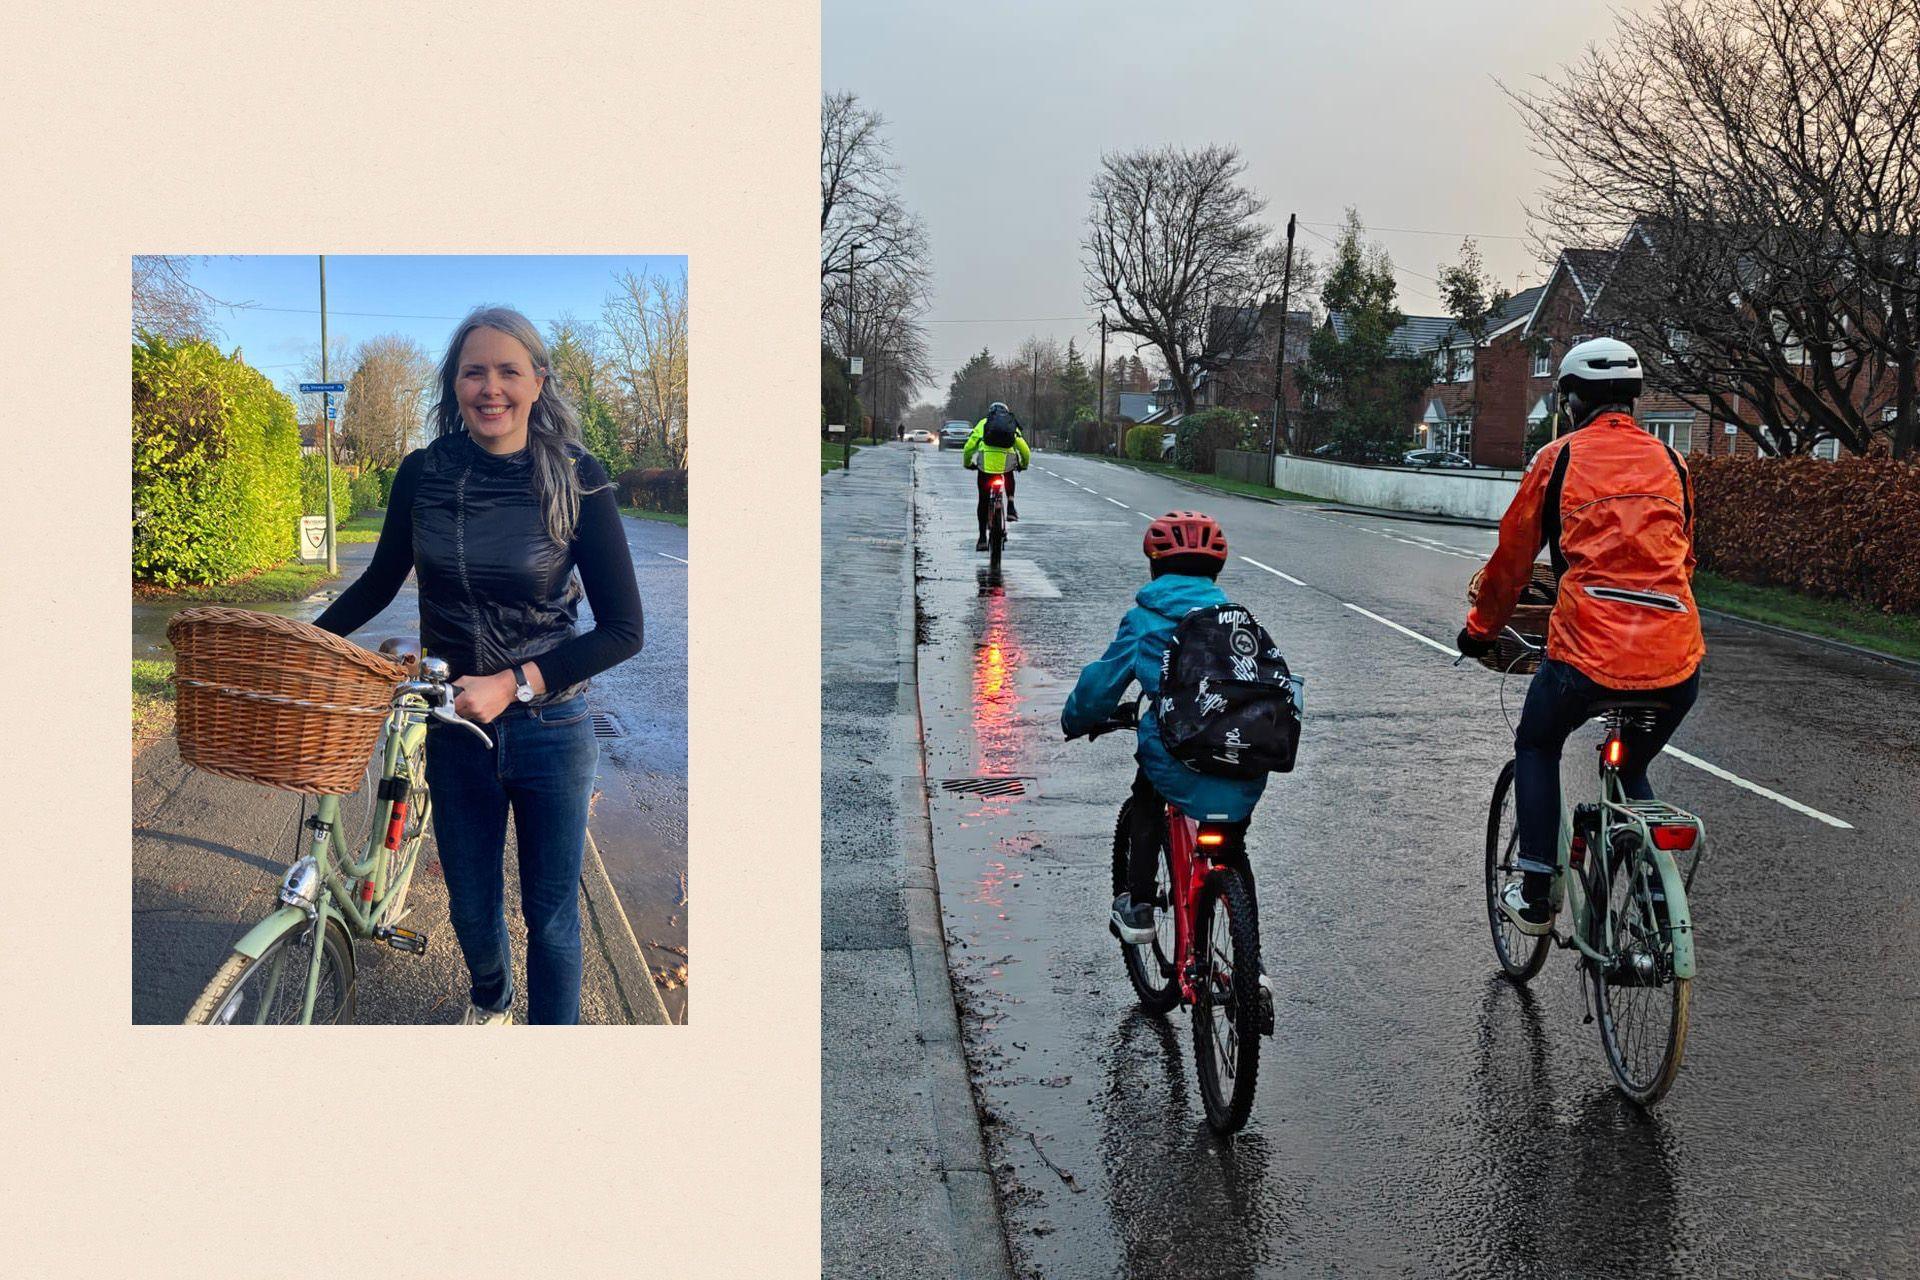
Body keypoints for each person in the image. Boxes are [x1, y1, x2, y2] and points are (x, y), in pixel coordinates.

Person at [314, 306, 644, 1025]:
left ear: (538, 381)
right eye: (474, 372)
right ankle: (491, 997)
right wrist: (310, 643)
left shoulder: (576, 478)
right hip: (454, 723)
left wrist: (516, 682)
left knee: (551, 915)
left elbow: (623, 630)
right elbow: (376, 584)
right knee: (469, 902)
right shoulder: (423, 474)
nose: (490, 387)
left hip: (553, 729)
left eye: (507, 371)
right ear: (454, 384)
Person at [1457, 336, 1704, 936]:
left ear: (1571, 401)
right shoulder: (1674, 464)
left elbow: (1513, 564)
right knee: (1633, 758)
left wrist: (1480, 631)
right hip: (1676, 659)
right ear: (1634, 402)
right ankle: (1649, 894)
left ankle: (1537, 891)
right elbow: (1683, 557)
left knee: (1538, 743)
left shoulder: (1558, 459)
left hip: (1587, 656)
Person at [1061, 511, 1265, 941]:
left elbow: (1102, 685)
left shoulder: (1143, 620)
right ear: (1217, 570)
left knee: (1147, 792)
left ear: (1154, 566)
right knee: (1232, 847)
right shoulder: (1235, 618)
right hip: (1240, 759)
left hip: (1176, 759)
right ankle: (1254, 967)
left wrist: (1077, 719)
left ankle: (1137, 908)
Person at [962, 401, 1031, 550]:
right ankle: (1011, 505)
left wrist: (968, 463)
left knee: (983, 500)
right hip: (1006, 463)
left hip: (986, 464)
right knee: (1009, 472)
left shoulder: (983, 423)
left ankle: (981, 538)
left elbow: (969, 447)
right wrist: (1023, 465)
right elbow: (1024, 450)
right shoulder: (1011, 424)